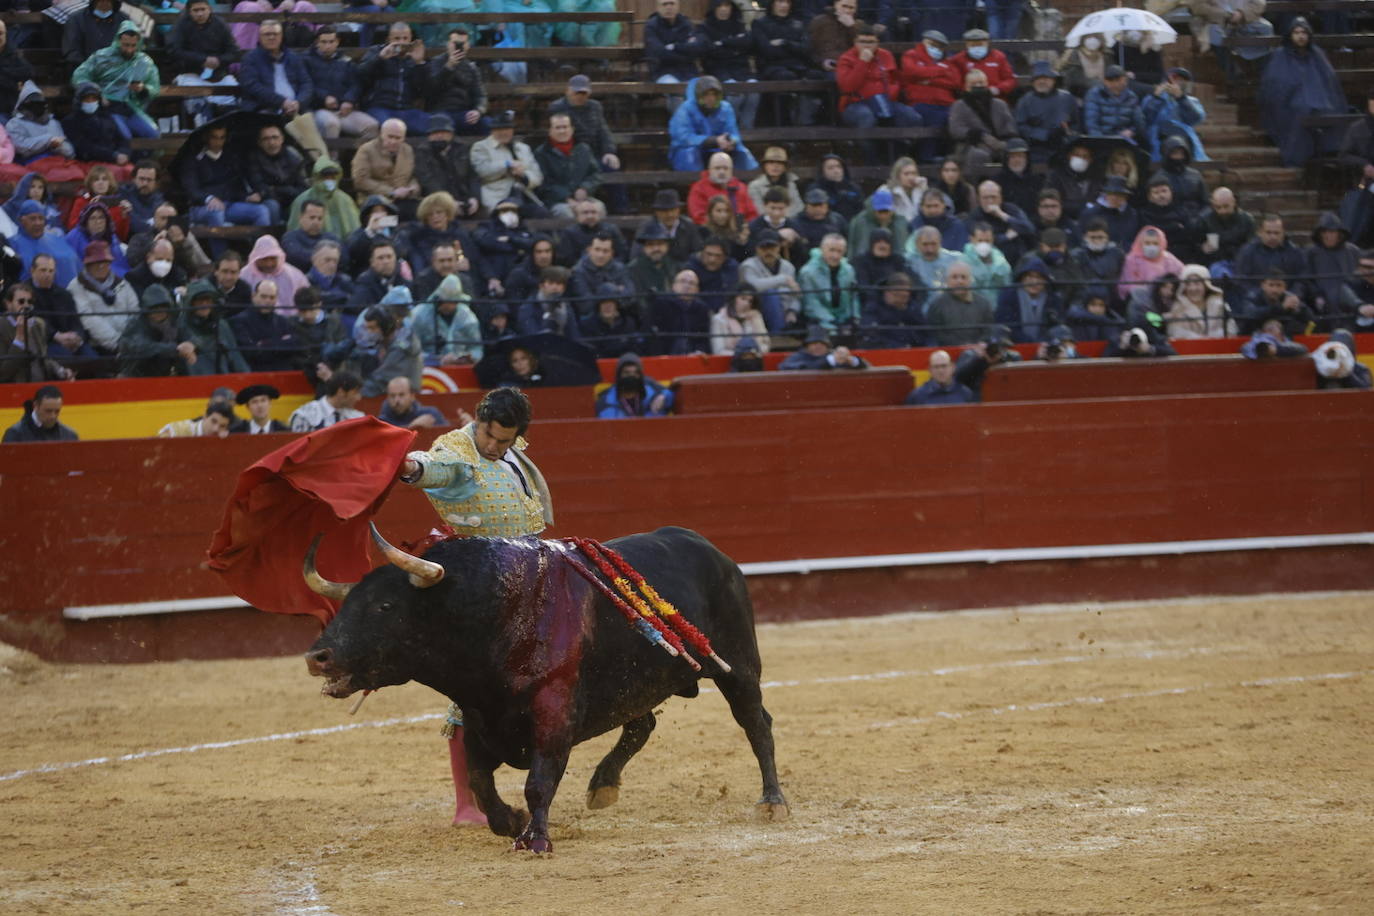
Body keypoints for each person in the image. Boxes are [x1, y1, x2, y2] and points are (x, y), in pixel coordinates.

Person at [394, 386, 551, 825]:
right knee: (468, 695)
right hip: (479, 592)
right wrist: (409, 466)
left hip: (529, 581)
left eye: (504, 440)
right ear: (478, 421)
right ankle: (467, 805)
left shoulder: (510, 448)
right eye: (489, 435)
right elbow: (435, 468)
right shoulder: (458, 451)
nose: (494, 446)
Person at [1258, 17, 1345, 167]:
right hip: (1289, 104)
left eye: (1304, 32)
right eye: (1296, 32)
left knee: (1327, 111)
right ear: (1290, 35)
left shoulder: (1317, 55)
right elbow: (1274, 85)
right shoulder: (1280, 55)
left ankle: (1329, 155)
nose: (1300, 36)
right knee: (1301, 110)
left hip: (1321, 103)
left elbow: (1329, 82)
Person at [548, 75, 626, 212]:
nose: (580, 96)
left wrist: (609, 152)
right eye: (577, 92)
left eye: (583, 93)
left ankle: (621, 210)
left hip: (594, 153)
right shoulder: (557, 107)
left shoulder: (595, 106)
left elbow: (603, 131)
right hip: (572, 155)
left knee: (612, 168)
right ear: (568, 91)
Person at [71, 22, 159, 140]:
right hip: (107, 106)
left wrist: (143, 89)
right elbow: (79, 76)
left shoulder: (145, 62)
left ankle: (143, 158)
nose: (129, 49)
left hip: (131, 107)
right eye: (125, 45)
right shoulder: (101, 56)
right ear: (118, 41)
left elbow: (154, 86)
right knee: (124, 136)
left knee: (153, 134)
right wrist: (96, 93)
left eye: (133, 45)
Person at [179, 124, 273, 230]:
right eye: (214, 137)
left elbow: (234, 186)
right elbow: (191, 189)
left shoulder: (230, 157)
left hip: (230, 205)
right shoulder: (193, 159)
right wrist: (208, 199)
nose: (218, 142)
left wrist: (246, 197)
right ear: (206, 138)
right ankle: (222, 248)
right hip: (201, 207)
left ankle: (260, 245)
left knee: (261, 211)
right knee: (216, 211)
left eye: (222, 137)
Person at [167, 0, 242, 126]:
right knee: (198, 103)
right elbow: (174, 50)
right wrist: (202, 60)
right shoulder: (181, 25)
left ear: (209, 9)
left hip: (219, 76)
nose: (200, 14)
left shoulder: (220, 24)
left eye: (203, 9)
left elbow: (233, 52)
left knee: (234, 97)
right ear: (189, 11)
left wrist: (219, 60)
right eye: (196, 10)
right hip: (191, 74)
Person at [836, 24, 922, 134]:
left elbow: (896, 79)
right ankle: (871, 152)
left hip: (886, 100)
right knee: (866, 117)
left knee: (912, 117)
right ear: (855, 43)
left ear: (877, 43)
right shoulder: (846, 58)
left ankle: (899, 149)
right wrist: (863, 62)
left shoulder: (886, 55)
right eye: (862, 42)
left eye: (871, 42)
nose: (866, 46)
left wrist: (891, 93)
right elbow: (847, 87)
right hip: (856, 103)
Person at [304, 25, 380, 143]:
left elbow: (356, 83)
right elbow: (306, 85)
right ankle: (332, 160)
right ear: (317, 43)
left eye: (331, 42)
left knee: (372, 126)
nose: (327, 46)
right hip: (319, 109)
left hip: (344, 110)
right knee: (331, 124)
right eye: (323, 42)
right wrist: (324, 98)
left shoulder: (346, 61)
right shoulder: (306, 60)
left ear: (337, 42)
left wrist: (349, 100)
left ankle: (359, 159)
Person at [751, 0, 822, 126]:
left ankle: (808, 124)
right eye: (780, 2)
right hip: (771, 67)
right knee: (786, 77)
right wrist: (794, 49)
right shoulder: (760, 24)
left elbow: (806, 49)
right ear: (772, 4)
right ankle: (784, 125)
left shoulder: (797, 24)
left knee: (817, 76)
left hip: (797, 66)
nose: (784, 6)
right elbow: (767, 50)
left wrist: (785, 43)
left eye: (787, 2)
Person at [668, 76, 757, 173]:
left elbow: (734, 133)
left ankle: (745, 182)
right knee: (689, 153)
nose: (711, 98)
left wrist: (731, 141)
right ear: (699, 96)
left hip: (719, 148)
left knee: (741, 151)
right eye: (706, 95)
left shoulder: (725, 108)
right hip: (692, 149)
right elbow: (683, 137)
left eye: (714, 94)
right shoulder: (685, 109)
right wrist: (713, 141)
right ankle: (694, 184)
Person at [356, 22, 430, 137]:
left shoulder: (413, 58)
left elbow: (423, 90)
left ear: (411, 39)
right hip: (379, 107)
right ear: (388, 39)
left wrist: (419, 63)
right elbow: (359, 73)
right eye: (397, 38)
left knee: (434, 125)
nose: (401, 42)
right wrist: (380, 58)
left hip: (406, 110)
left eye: (405, 38)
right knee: (389, 128)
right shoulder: (377, 51)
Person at [697, 0, 760, 131]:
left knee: (754, 90)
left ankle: (747, 130)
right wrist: (735, 46)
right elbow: (710, 50)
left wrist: (724, 42)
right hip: (717, 70)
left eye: (727, 5)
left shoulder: (739, 24)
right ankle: (729, 130)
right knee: (735, 94)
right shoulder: (705, 27)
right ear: (714, 8)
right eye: (720, 5)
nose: (724, 9)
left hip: (741, 68)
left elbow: (748, 43)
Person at [470, 111, 545, 216]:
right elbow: (482, 171)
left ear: (512, 130)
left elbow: (538, 176)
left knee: (542, 214)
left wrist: (523, 176)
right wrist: (506, 164)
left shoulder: (523, 148)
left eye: (507, 129)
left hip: (524, 194)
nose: (503, 132)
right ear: (492, 131)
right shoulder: (480, 147)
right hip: (498, 197)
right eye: (499, 129)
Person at [69, 240, 136, 356]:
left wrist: (132, 340)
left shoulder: (122, 284)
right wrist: (118, 343)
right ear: (87, 264)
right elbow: (88, 319)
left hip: (130, 342)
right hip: (97, 345)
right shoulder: (76, 286)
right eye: (96, 262)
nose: (101, 266)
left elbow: (135, 311)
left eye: (105, 262)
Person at [901, 29, 959, 157]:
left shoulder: (947, 61)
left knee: (957, 118)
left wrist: (929, 80)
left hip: (946, 103)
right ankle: (927, 157)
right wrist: (940, 71)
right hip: (921, 101)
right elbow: (912, 72)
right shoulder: (911, 55)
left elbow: (955, 81)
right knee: (933, 119)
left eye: (940, 46)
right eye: (932, 44)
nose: (936, 48)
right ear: (924, 42)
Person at [1, 283, 75, 383]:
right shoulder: (2, 326)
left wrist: (60, 371)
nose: (26, 305)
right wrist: (19, 338)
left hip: (40, 386)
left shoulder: (38, 324)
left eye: (30, 302)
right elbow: (3, 373)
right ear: (8, 304)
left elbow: (43, 358)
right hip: (14, 389)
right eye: (21, 301)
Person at [533, 113, 601, 220]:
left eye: (565, 127)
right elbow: (544, 184)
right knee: (566, 213)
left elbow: (595, 174)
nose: (562, 131)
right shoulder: (541, 153)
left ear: (572, 129)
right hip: (556, 202)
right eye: (558, 128)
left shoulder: (584, 149)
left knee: (599, 208)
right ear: (550, 131)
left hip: (584, 198)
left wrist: (585, 188)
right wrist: (567, 198)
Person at [118, 285, 196, 377]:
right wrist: (175, 349)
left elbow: (191, 335)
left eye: (163, 307)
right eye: (154, 308)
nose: (159, 311)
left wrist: (191, 344)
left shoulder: (174, 320)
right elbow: (141, 347)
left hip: (168, 374)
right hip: (137, 375)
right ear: (147, 309)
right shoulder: (136, 323)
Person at [352, 118, 421, 221]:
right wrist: (391, 192)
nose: (393, 141)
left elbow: (412, 175)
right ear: (381, 134)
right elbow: (360, 180)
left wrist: (413, 187)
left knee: (422, 213)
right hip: (375, 202)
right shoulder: (366, 150)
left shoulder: (408, 150)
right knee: (390, 219)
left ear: (404, 138)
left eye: (398, 138)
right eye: (390, 137)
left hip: (403, 200)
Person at [179, 279, 250, 375]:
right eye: (200, 300)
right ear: (191, 302)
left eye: (208, 299)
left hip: (222, 379)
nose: (204, 304)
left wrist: (247, 379)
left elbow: (235, 357)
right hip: (192, 381)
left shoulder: (221, 325)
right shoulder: (181, 324)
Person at [1308, 211, 1364, 331]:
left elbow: (1363, 276)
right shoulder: (1312, 253)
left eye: (1332, 232)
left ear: (1339, 233)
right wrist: (1316, 295)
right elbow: (1307, 279)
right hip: (1323, 303)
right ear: (1319, 234)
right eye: (1324, 232)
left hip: (1351, 302)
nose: (1328, 236)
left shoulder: (1353, 251)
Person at [413, 116, 479, 217]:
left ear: (451, 134)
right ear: (429, 136)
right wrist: (448, 202)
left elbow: (472, 175)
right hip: (437, 199)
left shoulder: (462, 149)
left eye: (443, 132)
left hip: (463, 197)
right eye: (435, 133)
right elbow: (428, 181)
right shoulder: (422, 153)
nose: (439, 136)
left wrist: (474, 197)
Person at [1235, 213, 1308, 301]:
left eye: (1276, 233)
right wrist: (1260, 296)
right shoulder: (1247, 252)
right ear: (1260, 232)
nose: (1273, 237)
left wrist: (1293, 295)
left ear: (1283, 233)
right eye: (1268, 232)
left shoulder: (1295, 252)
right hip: (1256, 302)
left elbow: (1302, 278)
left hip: (1287, 300)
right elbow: (1241, 280)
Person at [429, 28, 489, 136]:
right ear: (448, 44)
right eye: (455, 43)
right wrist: (448, 67)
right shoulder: (436, 62)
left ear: (467, 46)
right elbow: (431, 89)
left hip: (464, 113)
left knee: (488, 124)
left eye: (462, 43)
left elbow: (480, 95)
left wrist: (478, 111)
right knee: (444, 123)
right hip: (441, 111)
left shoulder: (472, 68)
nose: (459, 46)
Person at [232, 279, 302, 371]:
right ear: (254, 296)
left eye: (272, 297)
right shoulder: (239, 321)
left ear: (276, 299)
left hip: (282, 374)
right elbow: (251, 354)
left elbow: (294, 344)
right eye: (263, 296)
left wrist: (264, 344)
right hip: (254, 375)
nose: (267, 301)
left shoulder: (283, 321)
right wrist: (280, 343)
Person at [1015, 61, 1077, 163]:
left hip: (1064, 146)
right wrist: (1044, 135)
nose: (1042, 81)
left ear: (1053, 80)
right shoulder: (1025, 101)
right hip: (1037, 149)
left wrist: (1069, 135)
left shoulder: (1067, 98)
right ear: (1033, 82)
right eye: (1038, 78)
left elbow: (1076, 124)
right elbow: (1020, 126)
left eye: (1046, 78)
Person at [739, 228, 801, 330]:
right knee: (770, 294)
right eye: (763, 248)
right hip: (755, 311)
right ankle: (779, 334)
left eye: (772, 247)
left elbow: (796, 294)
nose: (768, 251)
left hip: (785, 312)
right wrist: (783, 279)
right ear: (757, 249)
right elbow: (753, 286)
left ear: (779, 246)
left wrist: (792, 311)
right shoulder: (748, 265)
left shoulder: (788, 267)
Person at [61, 83, 131, 171]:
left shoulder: (106, 117)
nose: (91, 102)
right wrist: (113, 156)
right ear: (79, 101)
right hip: (88, 163)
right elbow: (83, 147)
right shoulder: (70, 121)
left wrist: (124, 153)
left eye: (94, 99)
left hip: (114, 160)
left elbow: (121, 139)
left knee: (130, 171)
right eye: (87, 99)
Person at [799, 233, 859, 336]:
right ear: (822, 249)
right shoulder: (807, 272)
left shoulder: (849, 270)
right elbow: (811, 303)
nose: (835, 255)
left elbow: (853, 297)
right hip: (818, 319)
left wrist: (853, 317)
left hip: (843, 318)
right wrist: (831, 321)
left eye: (839, 251)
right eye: (831, 250)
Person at [247, 124, 308, 225]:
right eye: (265, 139)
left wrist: (277, 189)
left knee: (303, 201)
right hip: (269, 200)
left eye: (275, 137)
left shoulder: (292, 157)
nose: (271, 142)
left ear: (282, 139)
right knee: (272, 205)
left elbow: (302, 187)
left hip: (290, 199)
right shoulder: (254, 158)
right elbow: (259, 187)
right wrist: (285, 190)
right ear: (259, 143)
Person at [288, 158, 362, 241]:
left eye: (333, 177)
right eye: (326, 177)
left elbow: (355, 230)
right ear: (317, 177)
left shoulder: (345, 200)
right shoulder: (302, 200)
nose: (329, 180)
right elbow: (294, 233)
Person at [926, 259, 993, 346]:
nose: (959, 281)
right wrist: (962, 345)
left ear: (970, 280)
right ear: (947, 281)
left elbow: (988, 331)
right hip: (948, 352)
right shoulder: (937, 305)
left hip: (980, 352)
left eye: (963, 277)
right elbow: (936, 335)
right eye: (954, 277)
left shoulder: (984, 304)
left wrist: (979, 345)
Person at [995, 257, 1061, 344]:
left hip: (1045, 346)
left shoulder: (1053, 298)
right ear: (1022, 278)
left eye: (1039, 277)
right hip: (1014, 345)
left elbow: (1055, 326)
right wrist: (1028, 342)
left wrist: (1041, 342)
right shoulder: (1009, 295)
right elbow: (1006, 324)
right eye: (1029, 276)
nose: (1034, 281)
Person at [687, 151, 759, 226]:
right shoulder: (698, 189)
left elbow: (752, 214)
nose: (722, 172)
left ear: (731, 170)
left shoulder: (741, 187)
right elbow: (698, 217)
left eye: (725, 168)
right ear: (709, 169)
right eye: (717, 168)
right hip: (711, 232)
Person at [1166, 263, 1235, 339]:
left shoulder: (1220, 304)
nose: (1193, 288)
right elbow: (1175, 333)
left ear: (1206, 285)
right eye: (1188, 284)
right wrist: (1200, 339)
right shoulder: (1177, 308)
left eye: (1197, 283)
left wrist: (1212, 338)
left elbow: (1231, 329)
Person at [650, 268, 711, 354]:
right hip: (666, 352)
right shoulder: (661, 303)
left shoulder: (702, 308)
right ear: (673, 285)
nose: (687, 286)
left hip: (692, 354)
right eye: (682, 281)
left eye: (692, 283)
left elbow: (703, 338)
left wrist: (699, 351)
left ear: (697, 290)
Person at [1197, 186, 1255, 277]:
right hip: (1216, 263)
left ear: (1234, 202)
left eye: (1226, 206)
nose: (1222, 211)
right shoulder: (1204, 220)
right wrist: (1202, 248)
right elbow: (1196, 244)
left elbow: (1251, 247)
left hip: (1240, 262)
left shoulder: (1247, 220)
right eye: (1218, 207)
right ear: (1212, 204)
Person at [595, 352, 674, 418]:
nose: (631, 376)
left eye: (636, 373)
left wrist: (663, 396)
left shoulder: (651, 388)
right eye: (627, 373)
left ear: (640, 376)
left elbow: (670, 394)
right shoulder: (607, 399)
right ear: (619, 375)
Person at [1119, 226, 1185, 303]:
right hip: (1140, 302)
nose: (1151, 247)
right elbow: (1127, 286)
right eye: (1147, 243)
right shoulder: (1132, 260)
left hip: (1166, 301)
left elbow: (1182, 274)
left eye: (1155, 243)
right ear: (1141, 243)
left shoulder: (1168, 259)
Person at [1240, 269, 1315, 338]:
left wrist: (1299, 309)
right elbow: (1250, 314)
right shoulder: (1253, 296)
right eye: (1271, 285)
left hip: (1284, 337)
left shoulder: (1288, 297)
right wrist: (1281, 308)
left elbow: (1311, 318)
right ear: (1263, 285)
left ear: (1284, 287)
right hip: (1253, 336)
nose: (1274, 290)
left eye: (1279, 285)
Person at [860, 271, 925, 349]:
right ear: (887, 292)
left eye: (905, 296)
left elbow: (924, 333)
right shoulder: (873, 308)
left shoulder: (913, 307)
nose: (901, 300)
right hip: (886, 351)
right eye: (897, 295)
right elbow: (872, 335)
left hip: (914, 350)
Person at [629, 223, 682, 317]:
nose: (656, 248)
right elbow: (638, 301)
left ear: (667, 246)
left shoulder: (674, 266)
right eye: (650, 244)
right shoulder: (634, 269)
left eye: (660, 244)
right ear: (644, 248)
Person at [645, 0, 701, 88]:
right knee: (675, 90)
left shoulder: (686, 23)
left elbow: (695, 49)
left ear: (678, 6)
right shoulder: (651, 26)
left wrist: (674, 47)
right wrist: (683, 52)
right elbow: (659, 52)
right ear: (658, 8)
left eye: (672, 3)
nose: (669, 7)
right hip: (663, 71)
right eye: (665, 4)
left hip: (688, 71)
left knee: (702, 90)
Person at [1084, 65, 1144, 142]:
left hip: (1124, 139)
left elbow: (1139, 123)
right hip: (1102, 138)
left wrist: (1132, 131)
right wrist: (1100, 141)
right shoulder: (1094, 94)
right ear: (1105, 81)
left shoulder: (1131, 97)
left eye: (1118, 80)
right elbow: (1091, 125)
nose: (1115, 84)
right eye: (1111, 81)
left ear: (1125, 80)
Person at [289, 371, 365, 432]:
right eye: (355, 393)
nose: (358, 398)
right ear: (341, 392)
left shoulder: (358, 417)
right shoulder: (305, 415)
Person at [579, 287, 643, 358]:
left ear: (617, 306)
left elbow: (635, 351)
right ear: (598, 307)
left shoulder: (628, 323)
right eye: (603, 303)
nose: (607, 307)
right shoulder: (588, 326)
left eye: (611, 303)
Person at [1080, 176, 1140, 250]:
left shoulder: (1132, 214)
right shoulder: (1090, 213)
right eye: (1111, 193)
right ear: (1106, 194)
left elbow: (1132, 239)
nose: (1114, 198)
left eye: (1119, 194)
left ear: (1126, 196)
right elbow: (1082, 238)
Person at [3, 385, 79, 443]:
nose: (53, 416)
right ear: (35, 405)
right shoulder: (15, 434)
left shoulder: (69, 435)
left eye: (57, 411)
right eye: (48, 411)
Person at [710, 286, 770, 356]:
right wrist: (742, 355)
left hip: (754, 360)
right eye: (743, 298)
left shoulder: (755, 317)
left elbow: (766, 344)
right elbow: (718, 351)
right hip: (728, 363)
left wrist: (753, 354)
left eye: (750, 301)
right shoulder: (719, 319)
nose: (746, 303)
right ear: (734, 298)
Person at [804, 155, 865, 224]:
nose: (836, 171)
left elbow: (862, 212)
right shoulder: (815, 189)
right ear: (822, 171)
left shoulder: (854, 188)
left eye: (839, 167)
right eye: (830, 168)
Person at [778, 325, 868, 370]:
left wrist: (850, 360)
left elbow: (866, 366)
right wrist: (830, 360)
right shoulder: (798, 356)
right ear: (807, 346)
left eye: (822, 343)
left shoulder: (833, 356)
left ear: (828, 346)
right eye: (814, 343)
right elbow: (784, 367)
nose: (818, 346)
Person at [748, 147, 803, 219]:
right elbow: (758, 209)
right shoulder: (755, 186)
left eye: (780, 163)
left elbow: (799, 207)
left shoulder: (790, 183)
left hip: (788, 222)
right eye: (771, 162)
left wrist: (782, 219)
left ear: (785, 167)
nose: (775, 166)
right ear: (765, 166)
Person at [905, 348, 974, 405]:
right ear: (930, 370)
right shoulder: (917, 396)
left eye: (944, 366)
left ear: (953, 368)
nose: (940, 371)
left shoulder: (965, 393)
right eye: (936, 367)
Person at [905, 225, 962, 293]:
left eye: (933, 244)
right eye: (925, 244)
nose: (930, 249)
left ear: (940, 242)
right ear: (917, 244)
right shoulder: (908, 261)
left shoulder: (955, 260)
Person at [379, 375, 446, 429]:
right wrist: (412, 427)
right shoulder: (382, 422)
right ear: (387, 397)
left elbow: (447, 438)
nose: (397, 400)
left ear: (412, 396)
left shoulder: (431, 414)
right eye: (392, 396)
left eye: (401, 395)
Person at [119, 161, 166, 237]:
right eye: (141, 179)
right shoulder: (123, 193)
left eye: (149, 180)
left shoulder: (160, 202)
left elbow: (150, 230)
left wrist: (130, 214)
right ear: (134, 179)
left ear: (156, 183)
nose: (145, 183)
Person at [1240, 316, 1309, 359]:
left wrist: (1277, 349)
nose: (1270, 333)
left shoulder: (1286, 343)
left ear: (1281, 333)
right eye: (1269, 330)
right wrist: (1263, 350)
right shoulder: (1257, 340)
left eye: (1273, 330)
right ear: (1264, 331)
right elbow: (1245, 348)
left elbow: (1303, 349)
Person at [158, 402, 234, 438]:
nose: (215, 429)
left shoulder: (226, 436)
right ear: (205, 416)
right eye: (213, 421)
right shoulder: (177, 430)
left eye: (222, 426)